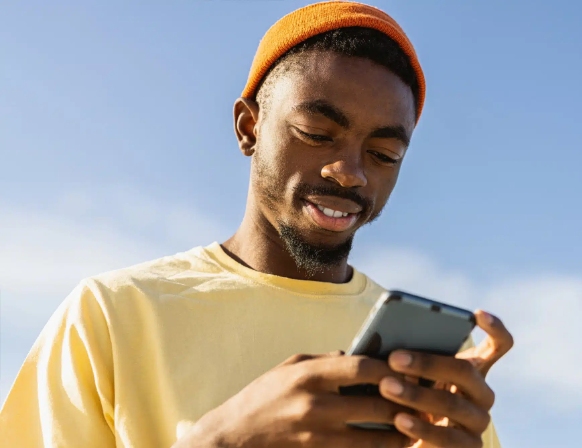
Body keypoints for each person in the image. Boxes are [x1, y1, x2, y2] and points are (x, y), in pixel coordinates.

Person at [0, 1, 513, 447]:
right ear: (250, 127)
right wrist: (221, 440)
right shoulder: (113, 314)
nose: (350, 172)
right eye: (316, 133)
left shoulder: (432, 375)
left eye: (383, 153)